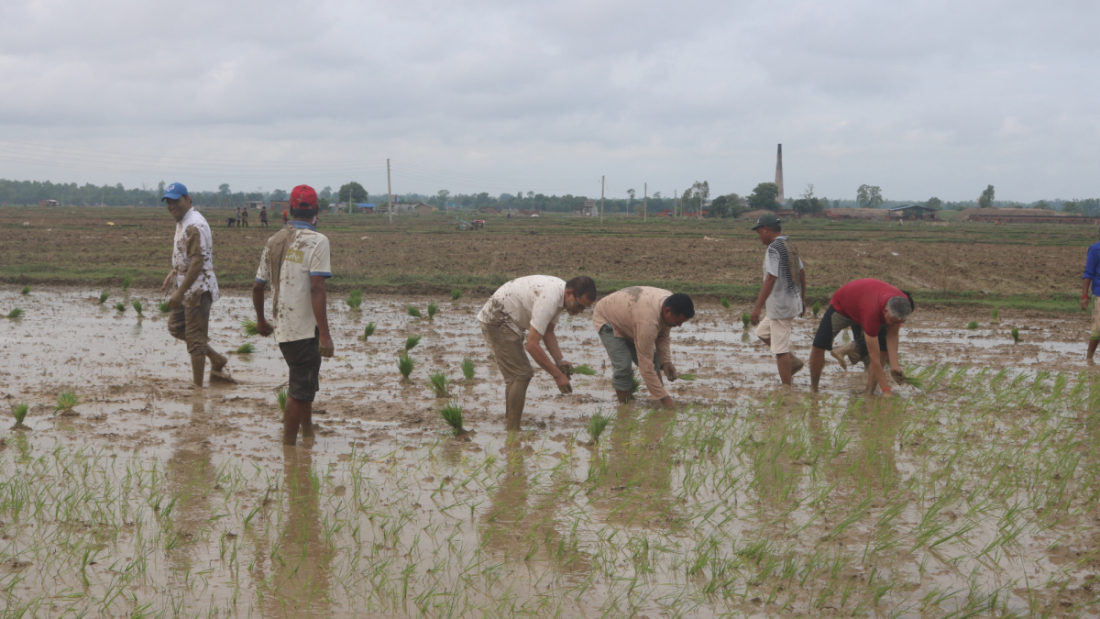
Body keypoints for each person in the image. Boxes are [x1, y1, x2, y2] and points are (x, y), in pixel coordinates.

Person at [252, 185, 335, 446]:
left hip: (284, 329)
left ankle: (308, 432)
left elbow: (257, 286)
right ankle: (289, 449)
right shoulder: (318, 241)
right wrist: (325, 336)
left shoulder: (274, 241)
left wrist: (261, 321)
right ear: (316, 211)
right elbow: (317, 288)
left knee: (305, 384)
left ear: (289, 210)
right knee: (298, 391)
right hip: (304, 330)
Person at [477, 275, 597, 431]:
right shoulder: (550, 299)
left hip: (508, 318)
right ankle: (513, 430)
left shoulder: (560, 297)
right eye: (580, 305)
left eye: (585, 308)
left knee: (516, 375)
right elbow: (532, 345)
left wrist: (560, 361)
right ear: (569, 293)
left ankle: (510, 422)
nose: (580, 311)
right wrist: (557, 375)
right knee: (521, 374)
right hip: (497, 318)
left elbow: (548, 330)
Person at [159, 182, 230, 387]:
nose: (172, 206)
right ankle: (216, 358)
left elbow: (198, 263)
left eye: (176, 201)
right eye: (169, 202)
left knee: (195, 340)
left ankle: (198, 389)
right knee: (176, 327)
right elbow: (187, 255)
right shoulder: (182, 220)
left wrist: (179, 293)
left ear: (188, 199)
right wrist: (174, 271)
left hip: (198, 288)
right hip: (185, 283)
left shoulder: (195, 225)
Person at [808, 279, 914, 396]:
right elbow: (874, 356)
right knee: (819, 345)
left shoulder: (902, 303)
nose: (896, 324)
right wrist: (886, 389)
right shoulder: (872, 313)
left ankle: (869, 393)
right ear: (885, 311)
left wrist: (895, 366)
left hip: (866, 302)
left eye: (900, 322)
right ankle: (814, 389)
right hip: (844, 307)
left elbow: (893, 335)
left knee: (883, 349)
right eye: (894, 321)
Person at [592, 287, 694, 408]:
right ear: (667, 311)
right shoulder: (648, 321)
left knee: (654, 360)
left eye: (682, 322)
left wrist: (666, 361)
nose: (679, 325)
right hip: (608, 318)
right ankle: (625, 408)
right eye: (678, 321)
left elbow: (663, 335)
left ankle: (658, 402)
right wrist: (667, 400)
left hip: (631, 316)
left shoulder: (671, 302)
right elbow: (646, 366)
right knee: (623, 366)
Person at [748, 213, 806, 385]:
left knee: (780, 350)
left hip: (781, 306)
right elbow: (801, 272)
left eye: (759, 232)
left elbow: (771, 278)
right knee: (762, 332)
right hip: (790, 302)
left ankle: (786, 389)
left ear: (766, 229)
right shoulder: (789, 244)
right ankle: (793, 361)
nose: (759, 236)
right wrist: (802, 299)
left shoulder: (773, 248)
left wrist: (757, 307)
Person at [1082, 228, 1100, 362]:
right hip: (1099, 294)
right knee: (1098, 330)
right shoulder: (1095, 249)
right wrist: (1085, 296)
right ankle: (1089, 359)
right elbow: (1088, 273)